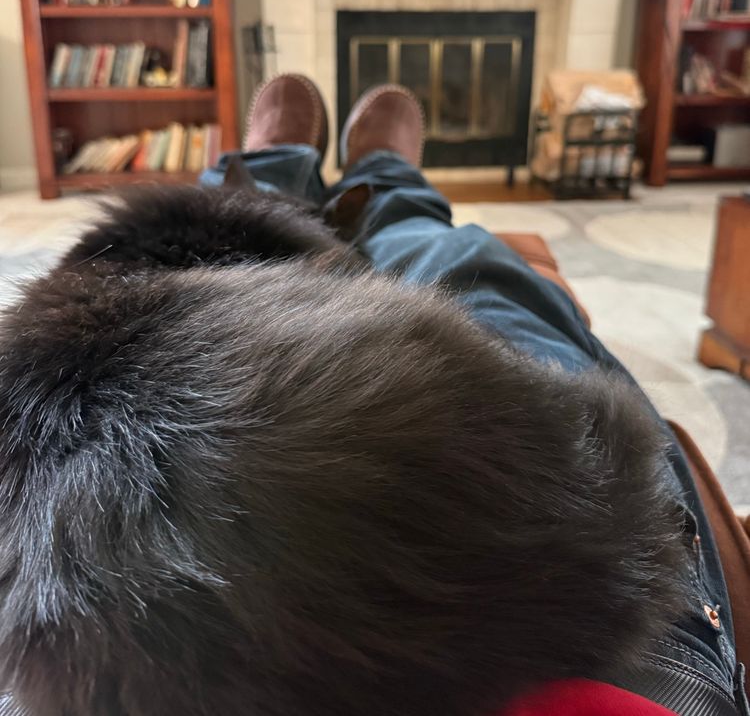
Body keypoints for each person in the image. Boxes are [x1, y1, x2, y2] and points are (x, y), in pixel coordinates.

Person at [0, 75, 747, 716]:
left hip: (106, 642)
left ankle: (274, 173)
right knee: (468, 265)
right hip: (591, 618)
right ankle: (385, 183)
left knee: (431, 277)